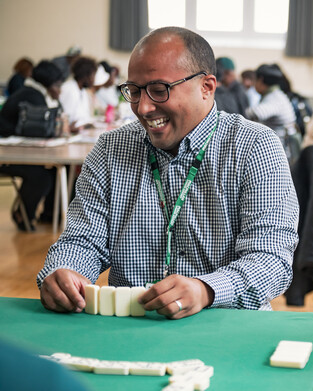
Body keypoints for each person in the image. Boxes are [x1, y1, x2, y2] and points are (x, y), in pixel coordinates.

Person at [37, 27, 299, 319]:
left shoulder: (255, 147)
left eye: (159, 90)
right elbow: (82, 240)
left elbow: (271, 260)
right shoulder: (111, 149)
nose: (144, 107)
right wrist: (65, 272)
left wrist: (205, 290)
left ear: (207, 87)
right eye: (134, 92)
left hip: (228, 326)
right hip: (133, 328)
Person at [0, 60, 65, 230]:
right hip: (7, 155)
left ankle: (49, 215)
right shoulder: (32, 96)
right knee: (41, 176)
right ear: (48, 84)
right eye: (58, 85)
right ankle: (23, 214)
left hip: (17, 151)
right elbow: (43, 129)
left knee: (51, 171)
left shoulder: (35, 93)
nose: (60, 89)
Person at [59, 56, 97, 130]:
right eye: (93, 76)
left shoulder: (83, 91)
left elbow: (85, 117)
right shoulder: (69, 89)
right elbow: (67, 121)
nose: (94, 80)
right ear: (85, 76)